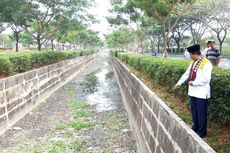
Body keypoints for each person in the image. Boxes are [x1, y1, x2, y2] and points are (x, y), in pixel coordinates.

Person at [173, 44, 213, 138]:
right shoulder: (193, 62)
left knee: (201, 113)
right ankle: (195, 127)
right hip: (193, 92)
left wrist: (194, 83)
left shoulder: (206, 63)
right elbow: (186, 74)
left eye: (191, 55)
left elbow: (206, 79)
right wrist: (179, 83)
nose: (190, 57)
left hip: (202, 93)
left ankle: (202, 132)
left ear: (195, 54)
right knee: (194, 111)